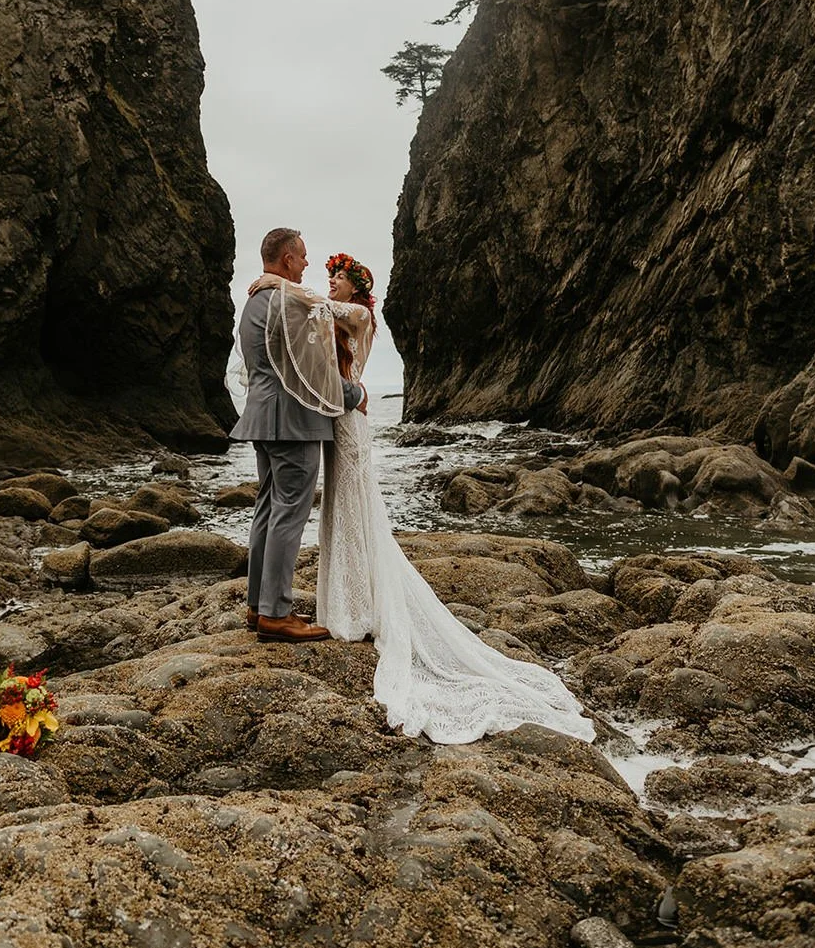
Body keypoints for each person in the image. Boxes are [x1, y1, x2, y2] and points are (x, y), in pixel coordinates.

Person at [248, 252, 595, 745]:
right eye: (325, 274)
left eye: (338, 277)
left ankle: (345, 604)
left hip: (347, 421)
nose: (327, 281)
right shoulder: (317, 306)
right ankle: (330, 602)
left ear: (358, 287)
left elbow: (317, 313)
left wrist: (273, 282)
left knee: (352, 507)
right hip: (330, 417)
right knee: (337, 513)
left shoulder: (360, 315)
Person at [230, 228, 368, 644]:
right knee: (289, 513)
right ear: (287, 258)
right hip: (292, 421)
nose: (307, 264)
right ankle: (276, 614)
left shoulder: (252, 302)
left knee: (267, 510)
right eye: (303, 257)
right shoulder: (288, 301)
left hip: (262, 418)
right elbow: (312, 369)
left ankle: (258, 606)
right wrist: (353, 394)